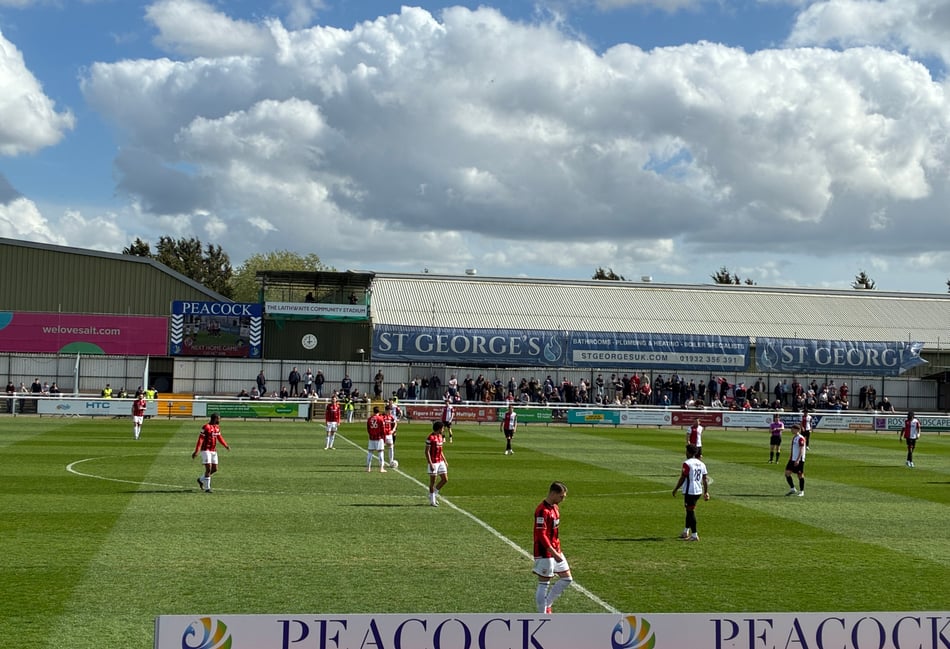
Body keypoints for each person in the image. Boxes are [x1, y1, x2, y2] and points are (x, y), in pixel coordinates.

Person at [533, 481, 572, 613]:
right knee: (544, 583)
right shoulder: (542, 511)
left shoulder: (555, 508)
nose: (563, 499)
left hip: (556, 549)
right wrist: (553, 552)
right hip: (545, 552)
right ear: (553, 493)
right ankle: (542, 615)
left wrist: (557, 551)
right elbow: (541, 534)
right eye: (561, 496)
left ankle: (547, 604)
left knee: (567, 578)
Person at [672, 444, 709, 541]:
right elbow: (705, 479)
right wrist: (706, 492)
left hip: (690, 491)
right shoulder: (701, 464)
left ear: (688, 452)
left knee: (690, 512)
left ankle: (694, 535)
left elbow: (683, 477)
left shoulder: (687, 463)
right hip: (698, 490)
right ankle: (685, 531)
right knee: (689, 511)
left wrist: (676, 489)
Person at [192, 413, 230, 493]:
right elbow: (200, 439)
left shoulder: (217, 427)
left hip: (213, 451)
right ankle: (207, 488)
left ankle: (201, 479)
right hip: (205, 450)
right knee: (208, 468)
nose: (219, 420)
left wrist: (226, 445)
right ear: (215, 418)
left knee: (214, 469)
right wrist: (197, 450)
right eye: (219, 418)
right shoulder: (206, 427)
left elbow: (219, 437)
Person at [425, 421, 448, 506]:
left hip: (440, 461)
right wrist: (430, 464)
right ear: (439, 428)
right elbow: (427, 452)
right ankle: (432, 501)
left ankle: (433, 494)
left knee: (445, 479)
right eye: (443, 428)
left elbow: (441, 450)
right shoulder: (430, 438)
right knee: (433, 482)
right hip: (433, 462)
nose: (443, 429)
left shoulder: (440, 436)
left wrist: (445, 460)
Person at [784, 425, 807, 497]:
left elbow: (801, 449)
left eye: (792, 429)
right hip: (792, 459)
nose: (791, 430)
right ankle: (792, 488)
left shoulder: (800, 438)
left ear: (797, 430)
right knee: (787, 473)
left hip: (799, 460)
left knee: (800, 475)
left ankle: (802, 491)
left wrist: (798, 460)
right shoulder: (795, 437)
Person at [366, 406, 387, 472]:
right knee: (380, 452)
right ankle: (381, 468)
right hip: (379, 438)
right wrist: (384, 439)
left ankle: (368, 468)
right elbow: (383, 430)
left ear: (373, 411)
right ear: (379, 411)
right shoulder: (380, 419)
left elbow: (368, 429)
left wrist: (371, 434)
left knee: (370, 452)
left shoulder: (369, 419)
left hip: (371, 438)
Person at [383, 402, 398, 466]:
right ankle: (382, 462)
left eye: (391, 411)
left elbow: (395, 423)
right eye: (389, 411)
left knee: (391, 448)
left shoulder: (391, 417)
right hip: (383, 435)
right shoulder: (382, 417)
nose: (390, 412)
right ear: (386, 410)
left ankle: (391, 461)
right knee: (381, 449)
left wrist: (393, 430)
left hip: (389, 435)